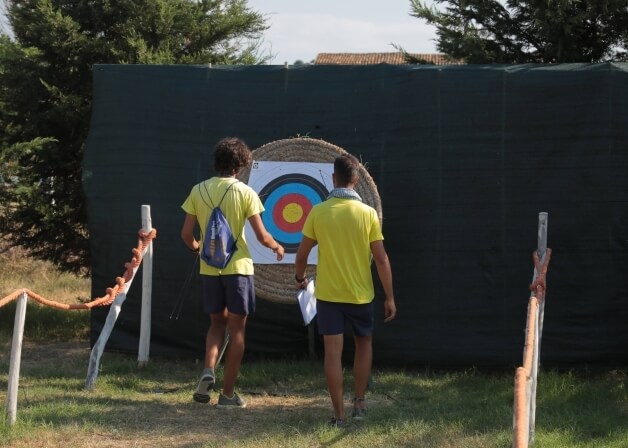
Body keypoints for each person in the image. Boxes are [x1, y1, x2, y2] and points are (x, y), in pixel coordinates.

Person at [181, 137, 285, 408]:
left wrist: (198, 249)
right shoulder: (245, 193)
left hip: (209, 269)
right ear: (240, 165)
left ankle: (208, 368)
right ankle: (227, 394)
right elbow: (262, 237)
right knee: (237, 330)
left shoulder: (198, 190)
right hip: (238, 269)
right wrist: (277, 246)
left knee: (217, 323)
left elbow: (185, 235)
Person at [294, 153, 396, 427]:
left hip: (328, 296)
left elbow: (302, 254)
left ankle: (338, 415)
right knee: (364, 344)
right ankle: (359, 402)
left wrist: (300, 278)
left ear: (333, 178)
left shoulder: (318, 211)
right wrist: (389, 296)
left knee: (332, 353)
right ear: (357, 180)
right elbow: (382, 259)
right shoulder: (368, 214)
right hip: (361, 294)